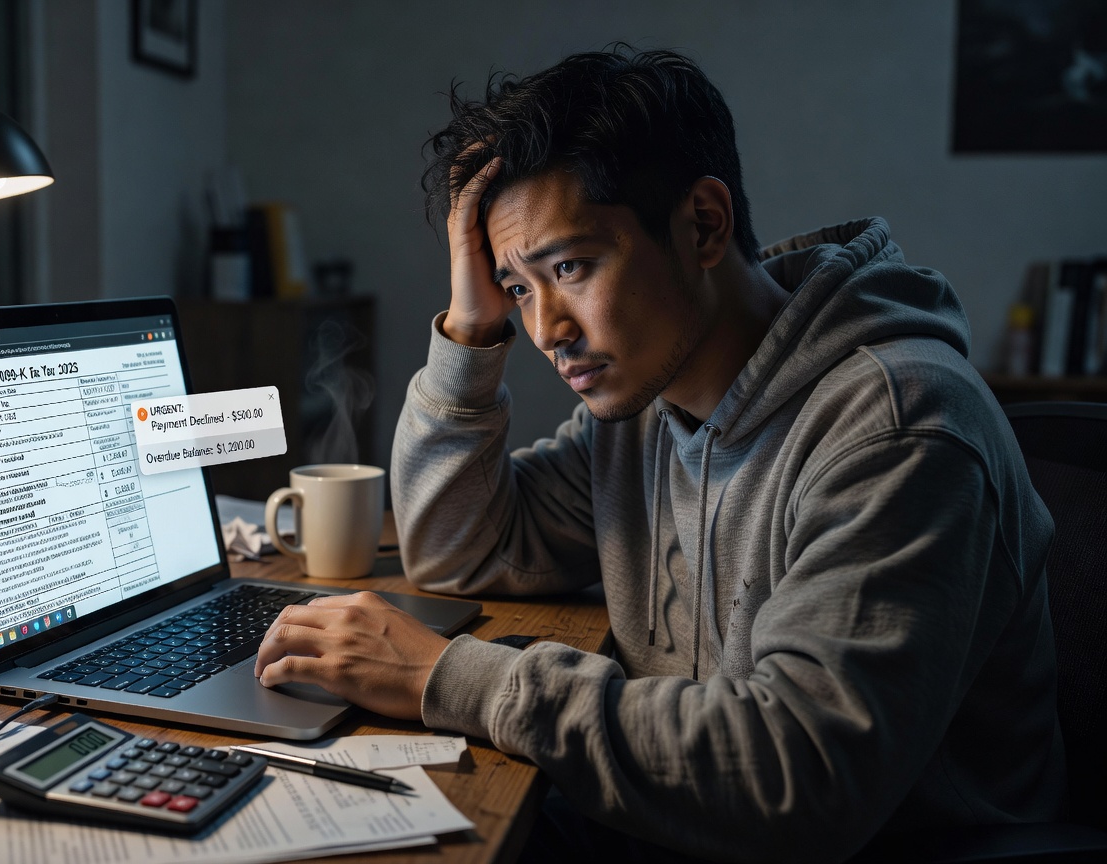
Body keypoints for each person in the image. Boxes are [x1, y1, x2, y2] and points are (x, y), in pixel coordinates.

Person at [254, 47, 1066, 862]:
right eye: (520, 289)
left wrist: (451, 678)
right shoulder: (643, 410)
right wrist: (471, 328)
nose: (545, 332)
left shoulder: (898, 425)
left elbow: (798, 776)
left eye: (570, 267)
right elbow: (461, 548)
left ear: (704, 225)